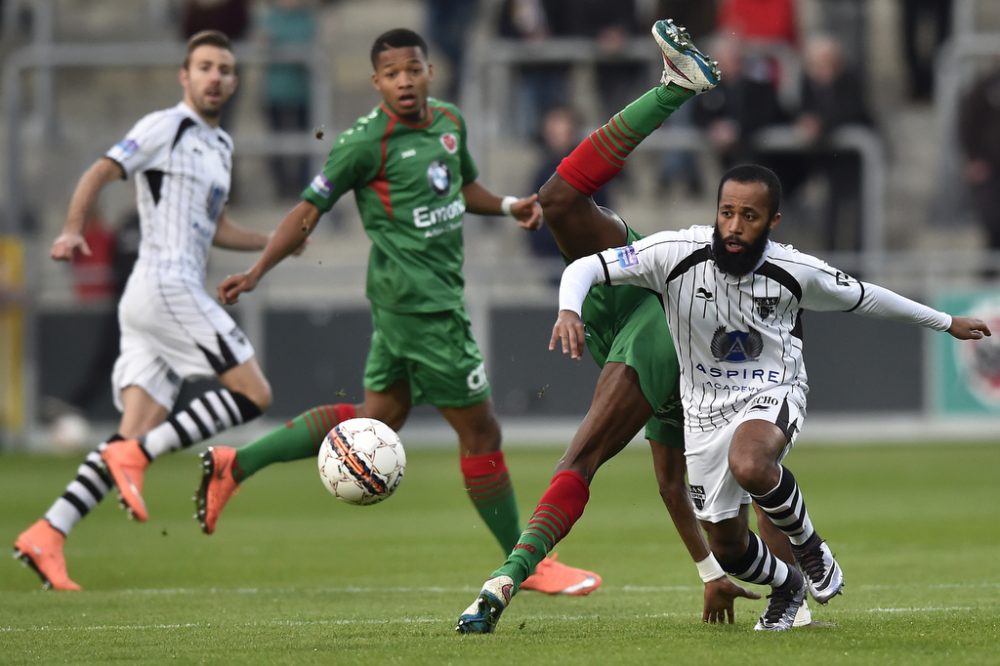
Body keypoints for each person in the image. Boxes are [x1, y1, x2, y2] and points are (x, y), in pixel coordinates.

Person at [205, 28, 601, 596]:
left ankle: (234, 464)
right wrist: (258, 270)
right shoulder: (363, 143)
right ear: (376, 82)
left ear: (428, 70)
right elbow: (307, 209)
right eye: (392, 74)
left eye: (412, 69)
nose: (404, 81)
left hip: (406, 303)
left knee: (380, 415)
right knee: (483, 432)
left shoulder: (448, 123)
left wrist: (510, 205)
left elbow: (461, 188)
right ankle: (528, 562)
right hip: (425, 308)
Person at [458, 20, 816, 634]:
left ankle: (506, 579)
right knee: (741, 480)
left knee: (585, 457)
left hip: (657, 320)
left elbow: (675, 486)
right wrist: (710, 573)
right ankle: (795, 593)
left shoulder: (655, 308)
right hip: (673, 323)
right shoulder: (671, 374)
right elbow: (671, 486)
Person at [544, 162, 990, 631]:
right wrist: (569, 310)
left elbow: (867, 297)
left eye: (750, 216)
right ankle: (787, 585)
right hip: (702, 411)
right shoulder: (673, 252)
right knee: (728, 548)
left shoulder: (795, 269)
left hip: (772, 390)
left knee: (752, 463)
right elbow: (586, 267)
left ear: (773, 221)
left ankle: (810, 547)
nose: (735, 227)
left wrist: (945, 321)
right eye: (727, 213)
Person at [13, 30, 287, 591]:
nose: (215, 77)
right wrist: (70, 231)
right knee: (254, 394)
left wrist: (271, 239)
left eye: (225, 69)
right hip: (166, 286)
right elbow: (100, 170)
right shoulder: (166, 126)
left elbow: (215, 228)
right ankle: (140, 454)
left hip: (157, 298)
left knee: (131, 430)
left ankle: (48, 532)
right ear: (184, 77)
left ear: (235, 83)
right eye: (205, 66)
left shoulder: (221, 147)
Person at [957, 62, 1000, 272]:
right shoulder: (986, 86)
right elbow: (967, 122)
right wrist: (973, 158)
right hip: (991, 169)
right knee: (993, 222)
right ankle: (988, 275)